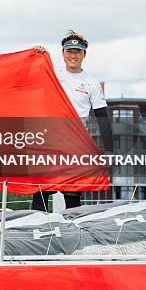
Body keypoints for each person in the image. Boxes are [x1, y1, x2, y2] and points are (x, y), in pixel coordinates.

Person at [31, 30, 113, 211]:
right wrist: (36, 54)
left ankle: (73, 237)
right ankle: (36, 235)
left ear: (84, 55)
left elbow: (103, 118)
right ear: (63, 54)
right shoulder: (53, 75)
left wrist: (108, 150)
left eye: (77, 52)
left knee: (73, 196)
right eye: (69, 51)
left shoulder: (91, 83)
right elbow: (29, 75)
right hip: (49, 144)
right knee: (40, 193)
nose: (73, 56)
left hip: (75, 146)